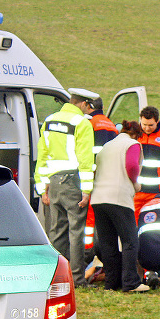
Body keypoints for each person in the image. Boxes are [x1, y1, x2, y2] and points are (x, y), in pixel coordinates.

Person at [35, 88, 96, 288]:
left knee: (56, 231)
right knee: (76, 232)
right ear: (84, 104)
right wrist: (86, 190)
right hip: (72, 182)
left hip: (53, 182)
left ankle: (55, 277)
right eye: (89, 107)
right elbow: (85, 159)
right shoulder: (82, 123)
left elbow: (42, 154)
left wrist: (42, 187)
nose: (89, 111)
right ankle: (77, 279)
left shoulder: (50, 120)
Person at [91, 120, 147, 292]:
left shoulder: (106, 147)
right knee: (130, 240)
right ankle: (130, 282)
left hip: (98, 198)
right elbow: (131, 165)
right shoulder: (132, 144)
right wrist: (135, 182)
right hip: (118, 197)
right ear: (137, 134)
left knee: (108, 243)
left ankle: (111, 282)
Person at [84, 95, 119, 265]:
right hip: (109, 180)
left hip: (91, 178)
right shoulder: (111, 125)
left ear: (89, 106)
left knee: (88, 222)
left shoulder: (89, 124)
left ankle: (87, 255)